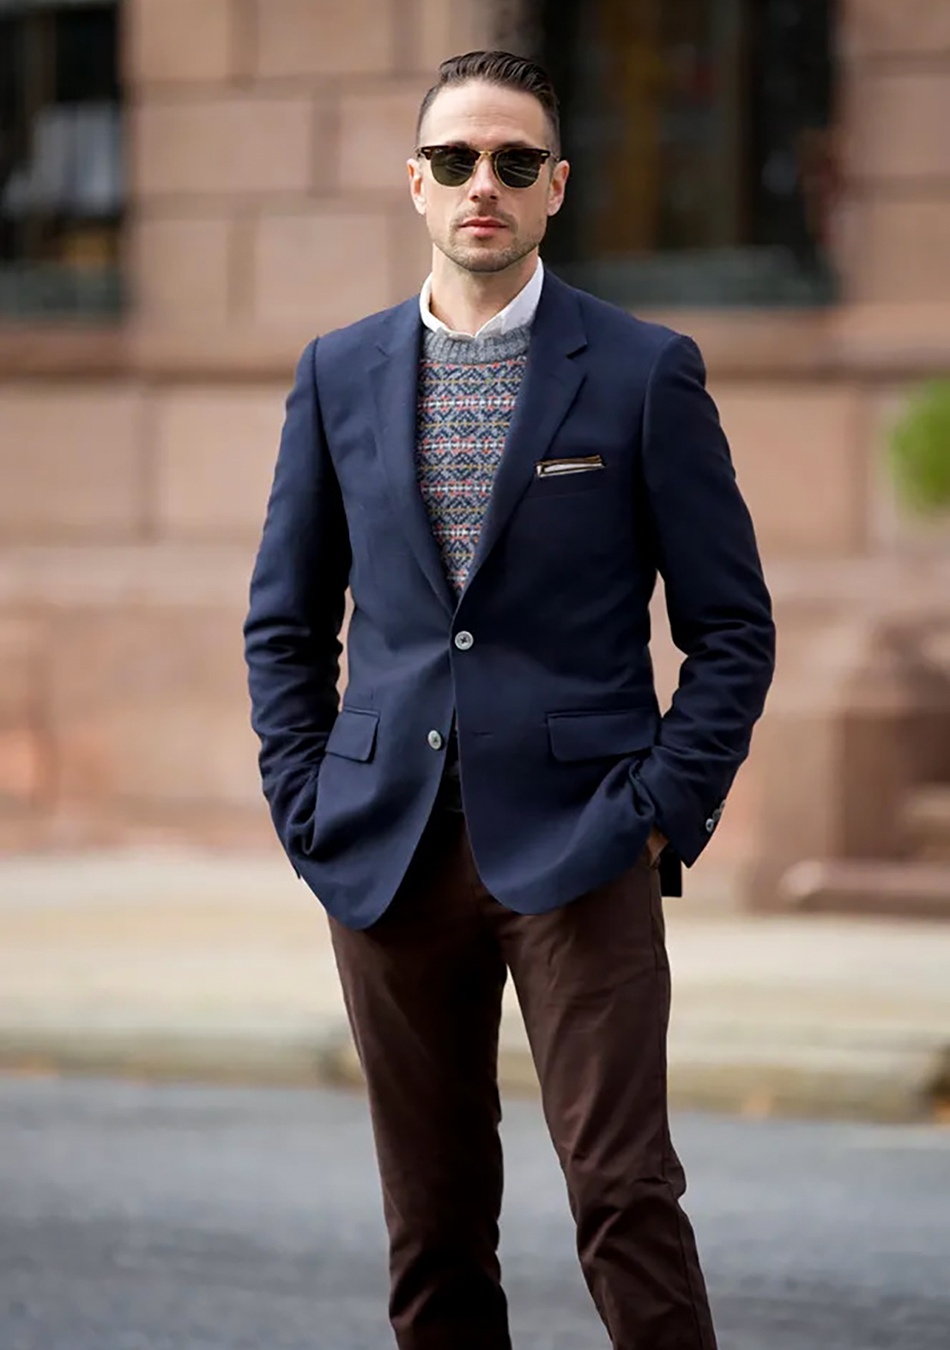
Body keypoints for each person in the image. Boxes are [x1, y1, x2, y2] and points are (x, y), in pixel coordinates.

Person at [244, 48, 775, 1350]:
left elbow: (730, 629)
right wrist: (308, 804)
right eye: (456, 161)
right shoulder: (336, 373)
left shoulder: (645, 370)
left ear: (554, 189)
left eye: (514, 162)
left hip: (582, 840)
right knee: (429, 1223)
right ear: (414, 185)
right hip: (385, 841)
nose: (484, 184)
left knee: (622, 1194)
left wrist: (656, 811)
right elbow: (285, 619)